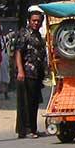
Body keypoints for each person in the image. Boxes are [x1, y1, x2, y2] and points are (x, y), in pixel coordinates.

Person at [13, 11, 47, 139]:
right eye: (34, 20)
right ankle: (26, 130)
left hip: (36, 73)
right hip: (26, 73)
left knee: (34, 101)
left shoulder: (38, 35)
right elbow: (18, 53)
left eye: (38, 21)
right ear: (29, 20)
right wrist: (21, 71)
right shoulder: (24, 34)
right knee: (26, 102)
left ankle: (33, 128)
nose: (36, 23)